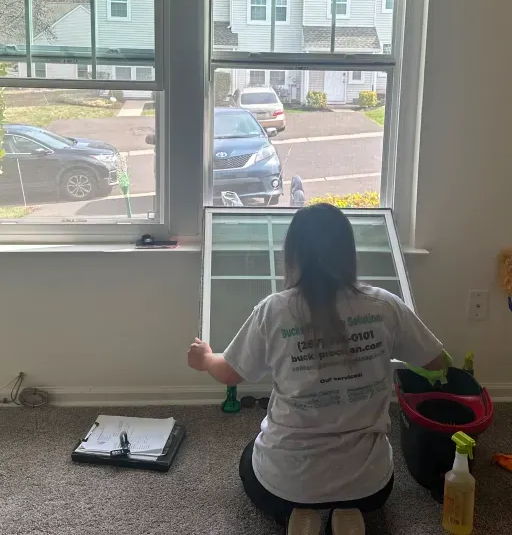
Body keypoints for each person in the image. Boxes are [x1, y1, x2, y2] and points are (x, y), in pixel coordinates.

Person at [188, 204, 446, 535]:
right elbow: (437, 361)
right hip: (369, 486)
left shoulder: (275, 311)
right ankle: (348, 511)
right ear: (348, 253)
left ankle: (297, 514)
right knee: (368, 487)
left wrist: (206, 357)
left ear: (293, 255)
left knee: (249, 458)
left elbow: (230, 373)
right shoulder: (384, 305)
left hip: (284, 485)